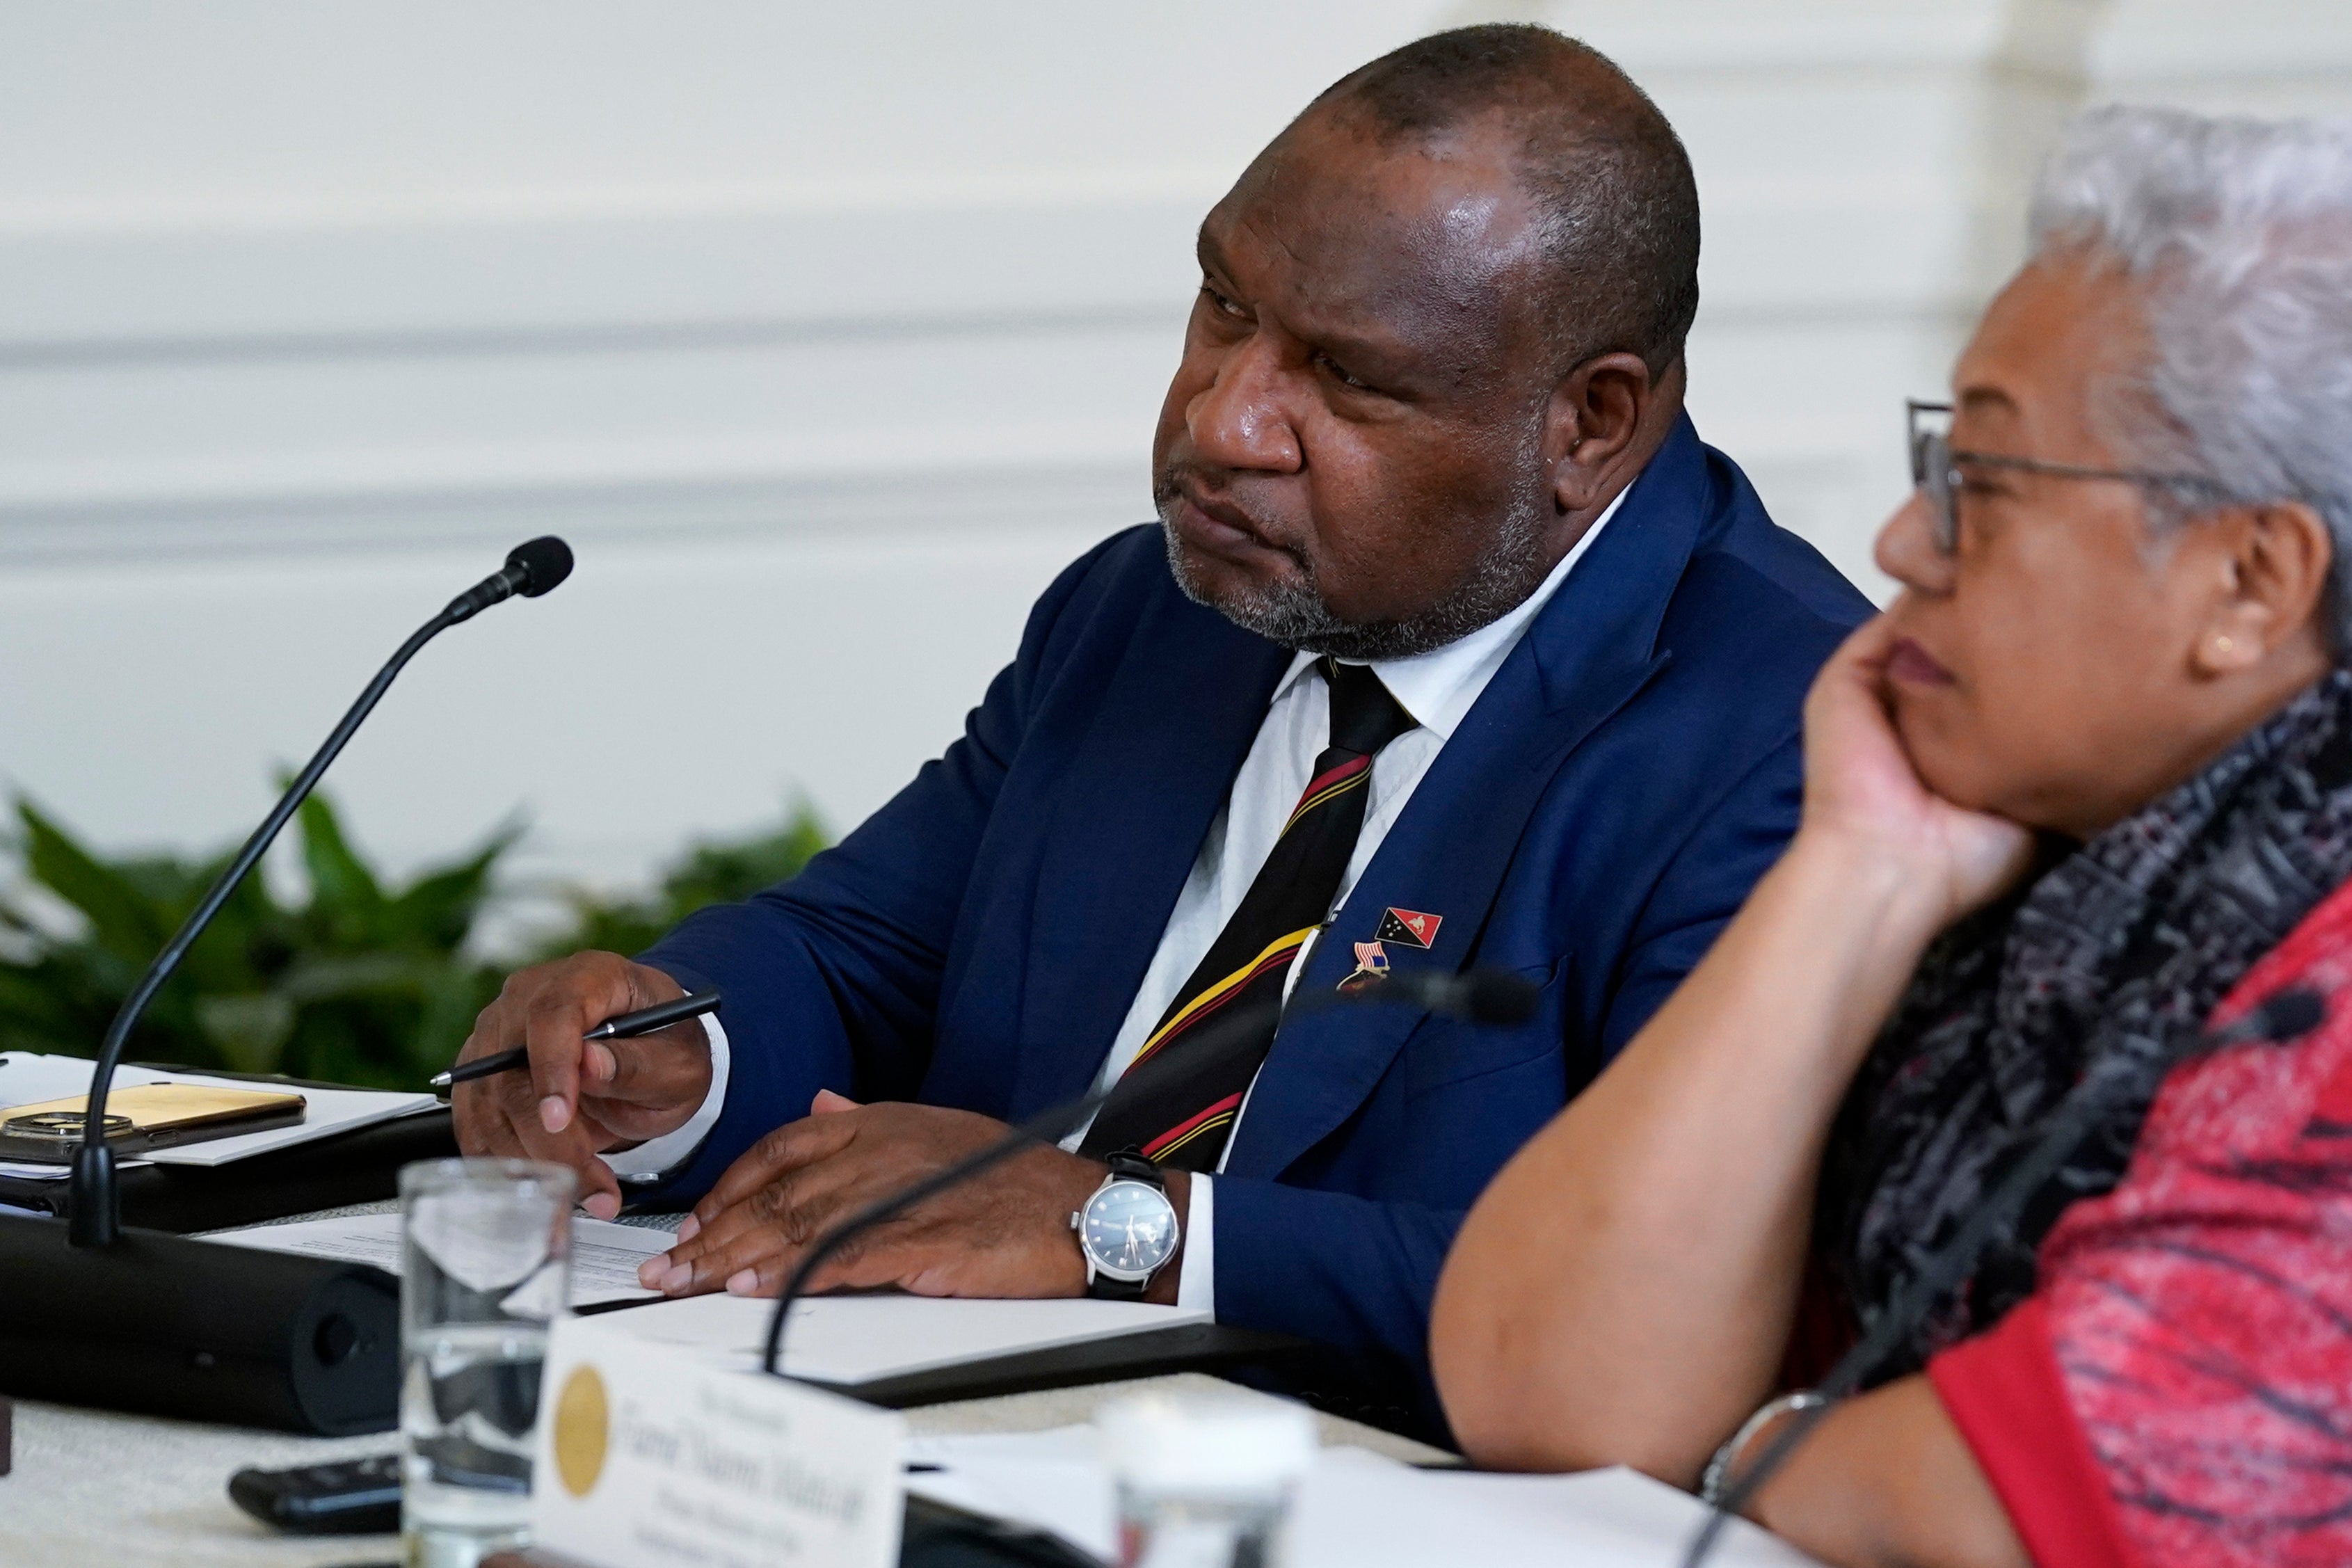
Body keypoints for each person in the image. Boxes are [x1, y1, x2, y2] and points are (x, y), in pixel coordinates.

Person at [451, 24, 1866, 1409]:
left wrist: (1117, 1225)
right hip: (919, 1437)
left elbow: (1646, 1313)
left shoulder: (1784, 746)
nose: (1220, 420)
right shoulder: (1161, 608)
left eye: (1347, 377)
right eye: (1224, 307)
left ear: (1589, 425)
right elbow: (861, 957)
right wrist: (671, 1054)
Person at [1431, 105, 2352, 1566]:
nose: (1900, 547)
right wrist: (1854, 868)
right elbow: (1539, 1386)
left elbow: (2015, 1505)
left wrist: (1727, 1448)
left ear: (2248, 579)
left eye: (1978, 486)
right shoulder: (2029, 855)